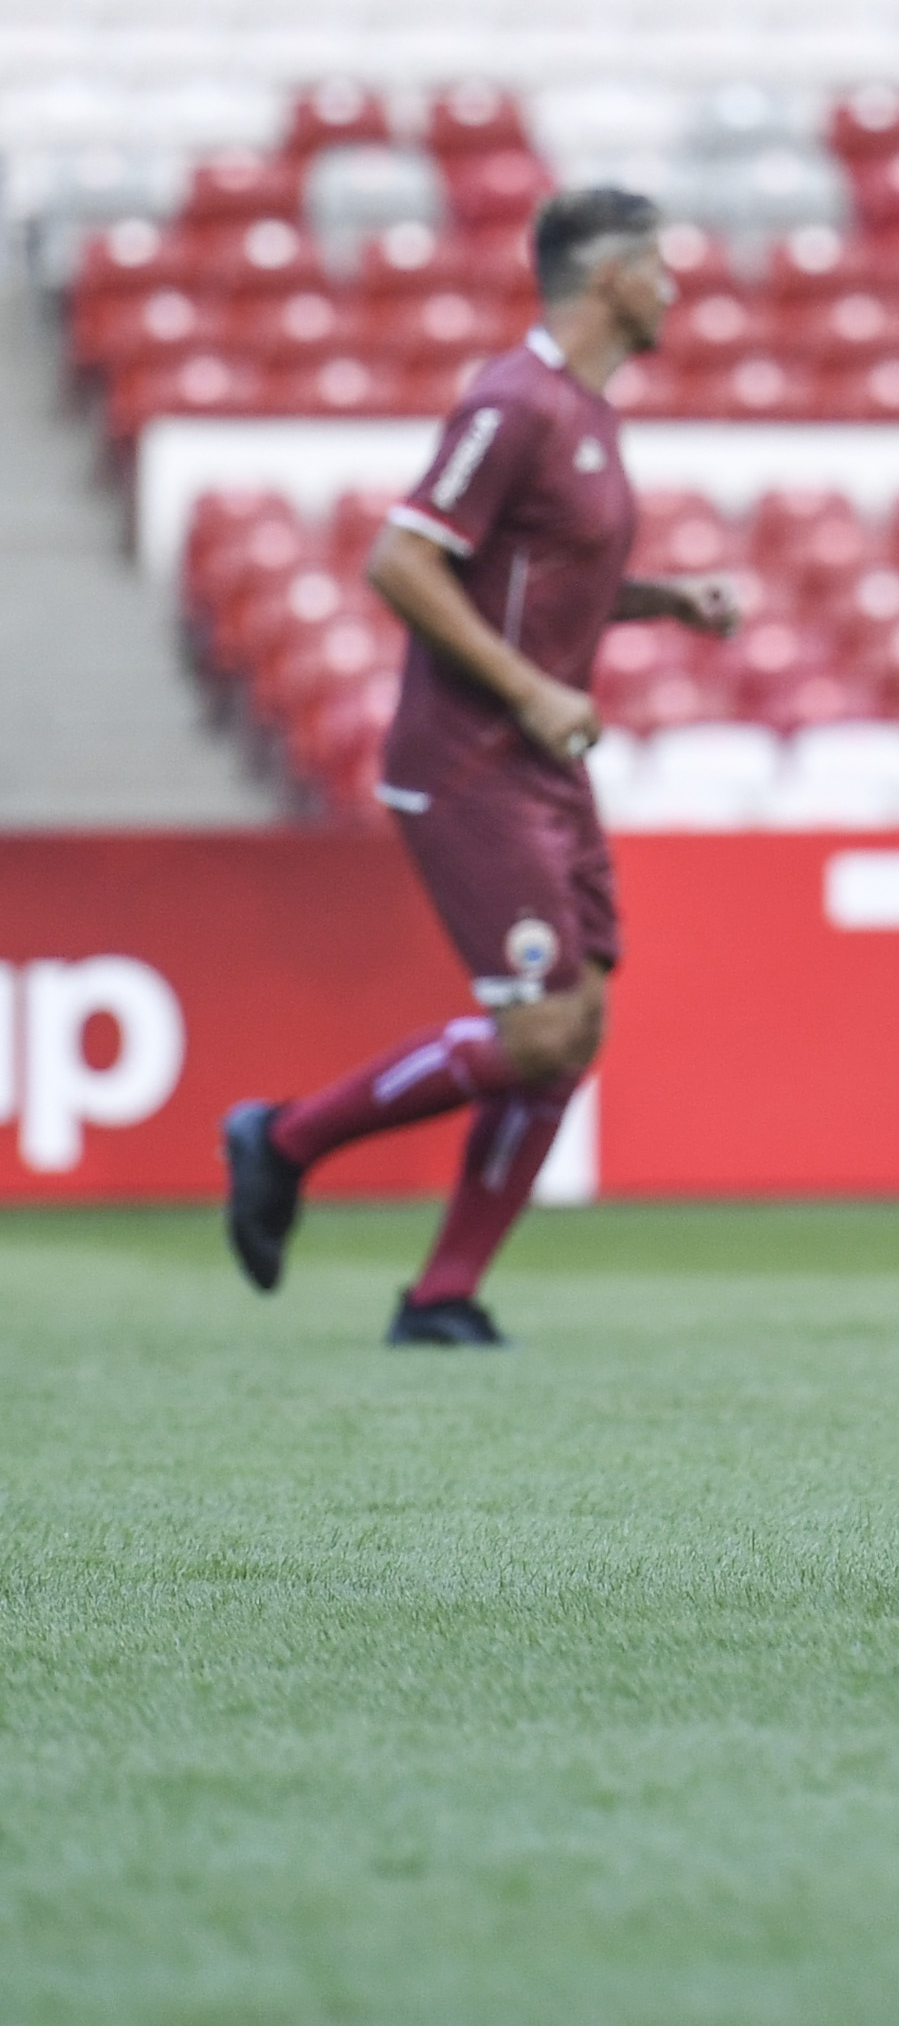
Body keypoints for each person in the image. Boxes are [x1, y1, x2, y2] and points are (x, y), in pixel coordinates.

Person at [220, 188, 740, 1342]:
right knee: (543, 1030)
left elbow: (548, 582)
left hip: (538, 762)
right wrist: (534, 691)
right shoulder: (514, 403)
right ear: (611, 277)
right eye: (659, 267)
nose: (672, 288)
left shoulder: (586, 413)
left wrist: (663, 602)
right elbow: (400, 560)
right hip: (469, 760)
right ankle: (284, 1140)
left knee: (574, 1024)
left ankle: (443, 1295)